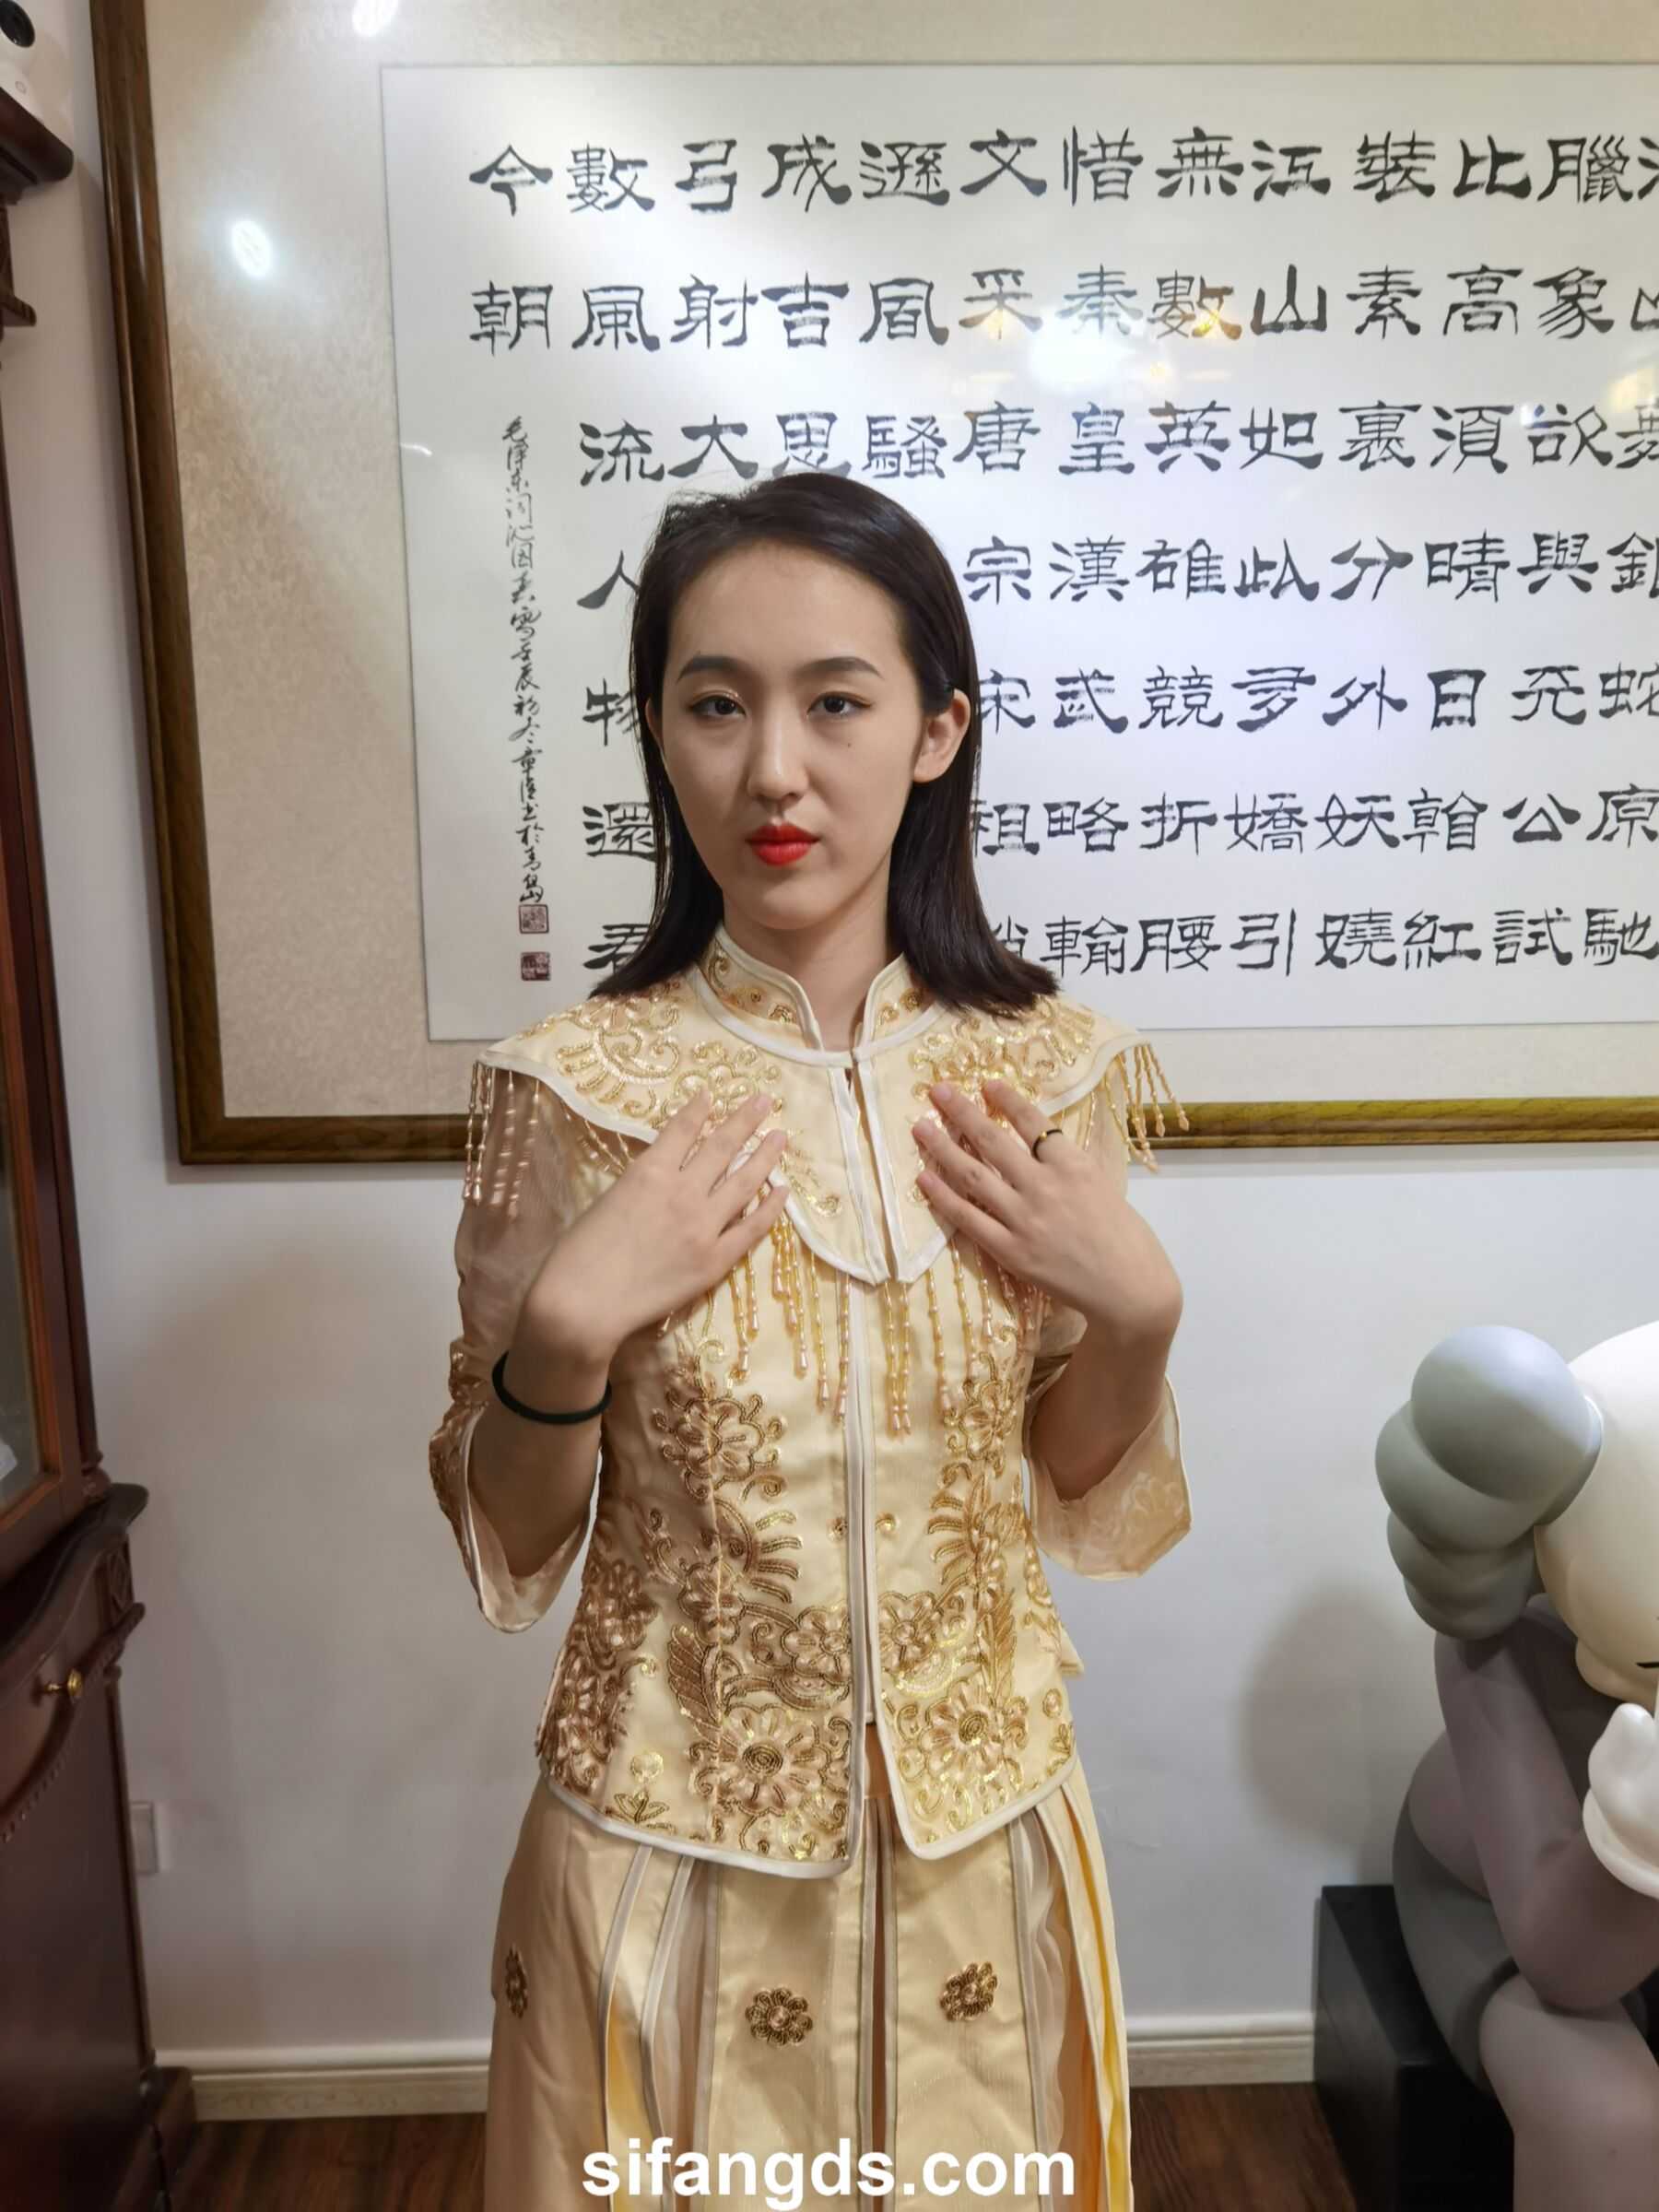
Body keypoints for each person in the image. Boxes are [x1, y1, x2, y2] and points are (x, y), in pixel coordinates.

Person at [429, 472, 1194, 2210]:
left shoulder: (1048, 1071)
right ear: (660, 732)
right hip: (670, 1854)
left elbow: (1073, 1480)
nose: (774, 770)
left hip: (977, 1849)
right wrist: (562, 1340)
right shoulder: (574, 1093)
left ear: (936, 732)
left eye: (835, 703)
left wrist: (1141, 1316)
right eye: (717, 706)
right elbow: (513, 1538)